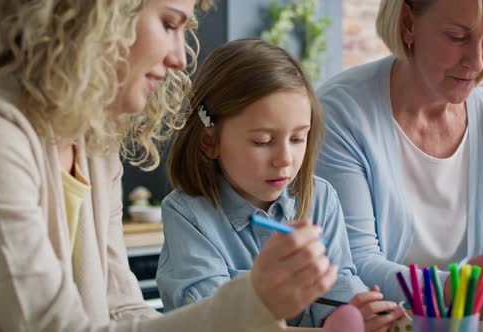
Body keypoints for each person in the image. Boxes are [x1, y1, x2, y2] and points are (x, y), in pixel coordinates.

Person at [0, 1, 338, 331]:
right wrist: (253, 302)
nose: (179, 58)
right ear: (98, 17)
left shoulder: (96, 143)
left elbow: (121, 308)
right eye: (169, 24)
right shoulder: (0, 139)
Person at [315, 0, 483, 324]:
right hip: (394, 322)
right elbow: (357, 264)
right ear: (409, 23)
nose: (477, 61)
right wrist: (460, 290)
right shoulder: (342, 114)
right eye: (457, 37)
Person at [156, 38, 405, 330]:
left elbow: (339, 283)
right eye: (263, 141)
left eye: (298, 138)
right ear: (210, 140)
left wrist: (358, 310)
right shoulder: (187, 215)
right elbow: (212, 319)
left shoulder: (320, 198)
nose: (284, 159)